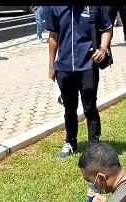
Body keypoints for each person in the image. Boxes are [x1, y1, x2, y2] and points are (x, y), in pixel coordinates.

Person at [45, 6, 112, 159]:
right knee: (69, 109)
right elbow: (53, 35)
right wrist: (51, 64)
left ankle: (94, 146)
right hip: (64, 67)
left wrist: (102, 49)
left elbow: (107, 28)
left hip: (89, 64)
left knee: (90, 107)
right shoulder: (55, 8)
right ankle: (70, 143)